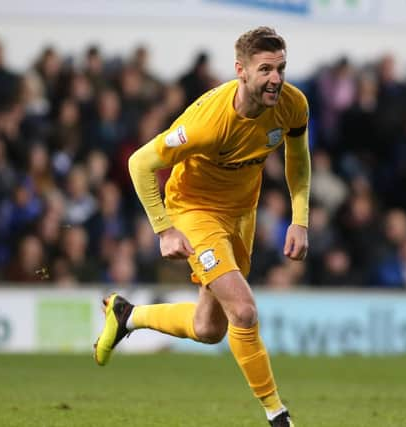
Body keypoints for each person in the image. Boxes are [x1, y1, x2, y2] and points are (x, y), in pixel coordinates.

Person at [93, 27, 310, 427]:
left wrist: (299, 219)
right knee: (243, 311)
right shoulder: (208, 123)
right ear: (240, 71)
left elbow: (297, 158)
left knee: (209, 328)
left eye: (281, 68)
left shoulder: (293, 104)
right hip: (194, 210)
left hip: (242, 214)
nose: (276, 79)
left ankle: (127, 315)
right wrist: (164, 229)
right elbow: (140, 163)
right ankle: (278, 416)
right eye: (266, 70)